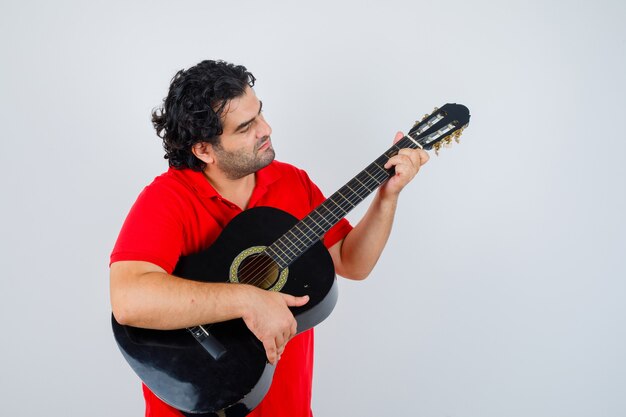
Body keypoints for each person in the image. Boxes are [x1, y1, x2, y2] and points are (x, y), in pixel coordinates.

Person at [110, 59, 428, 417]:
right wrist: (247, 299)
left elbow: (353, 263)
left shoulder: (292, 183)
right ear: (204, 150)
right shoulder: (167, 198)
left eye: (260, 114)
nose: (266, 129)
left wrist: (388, 195)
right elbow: (128, 299)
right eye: (246, 127)